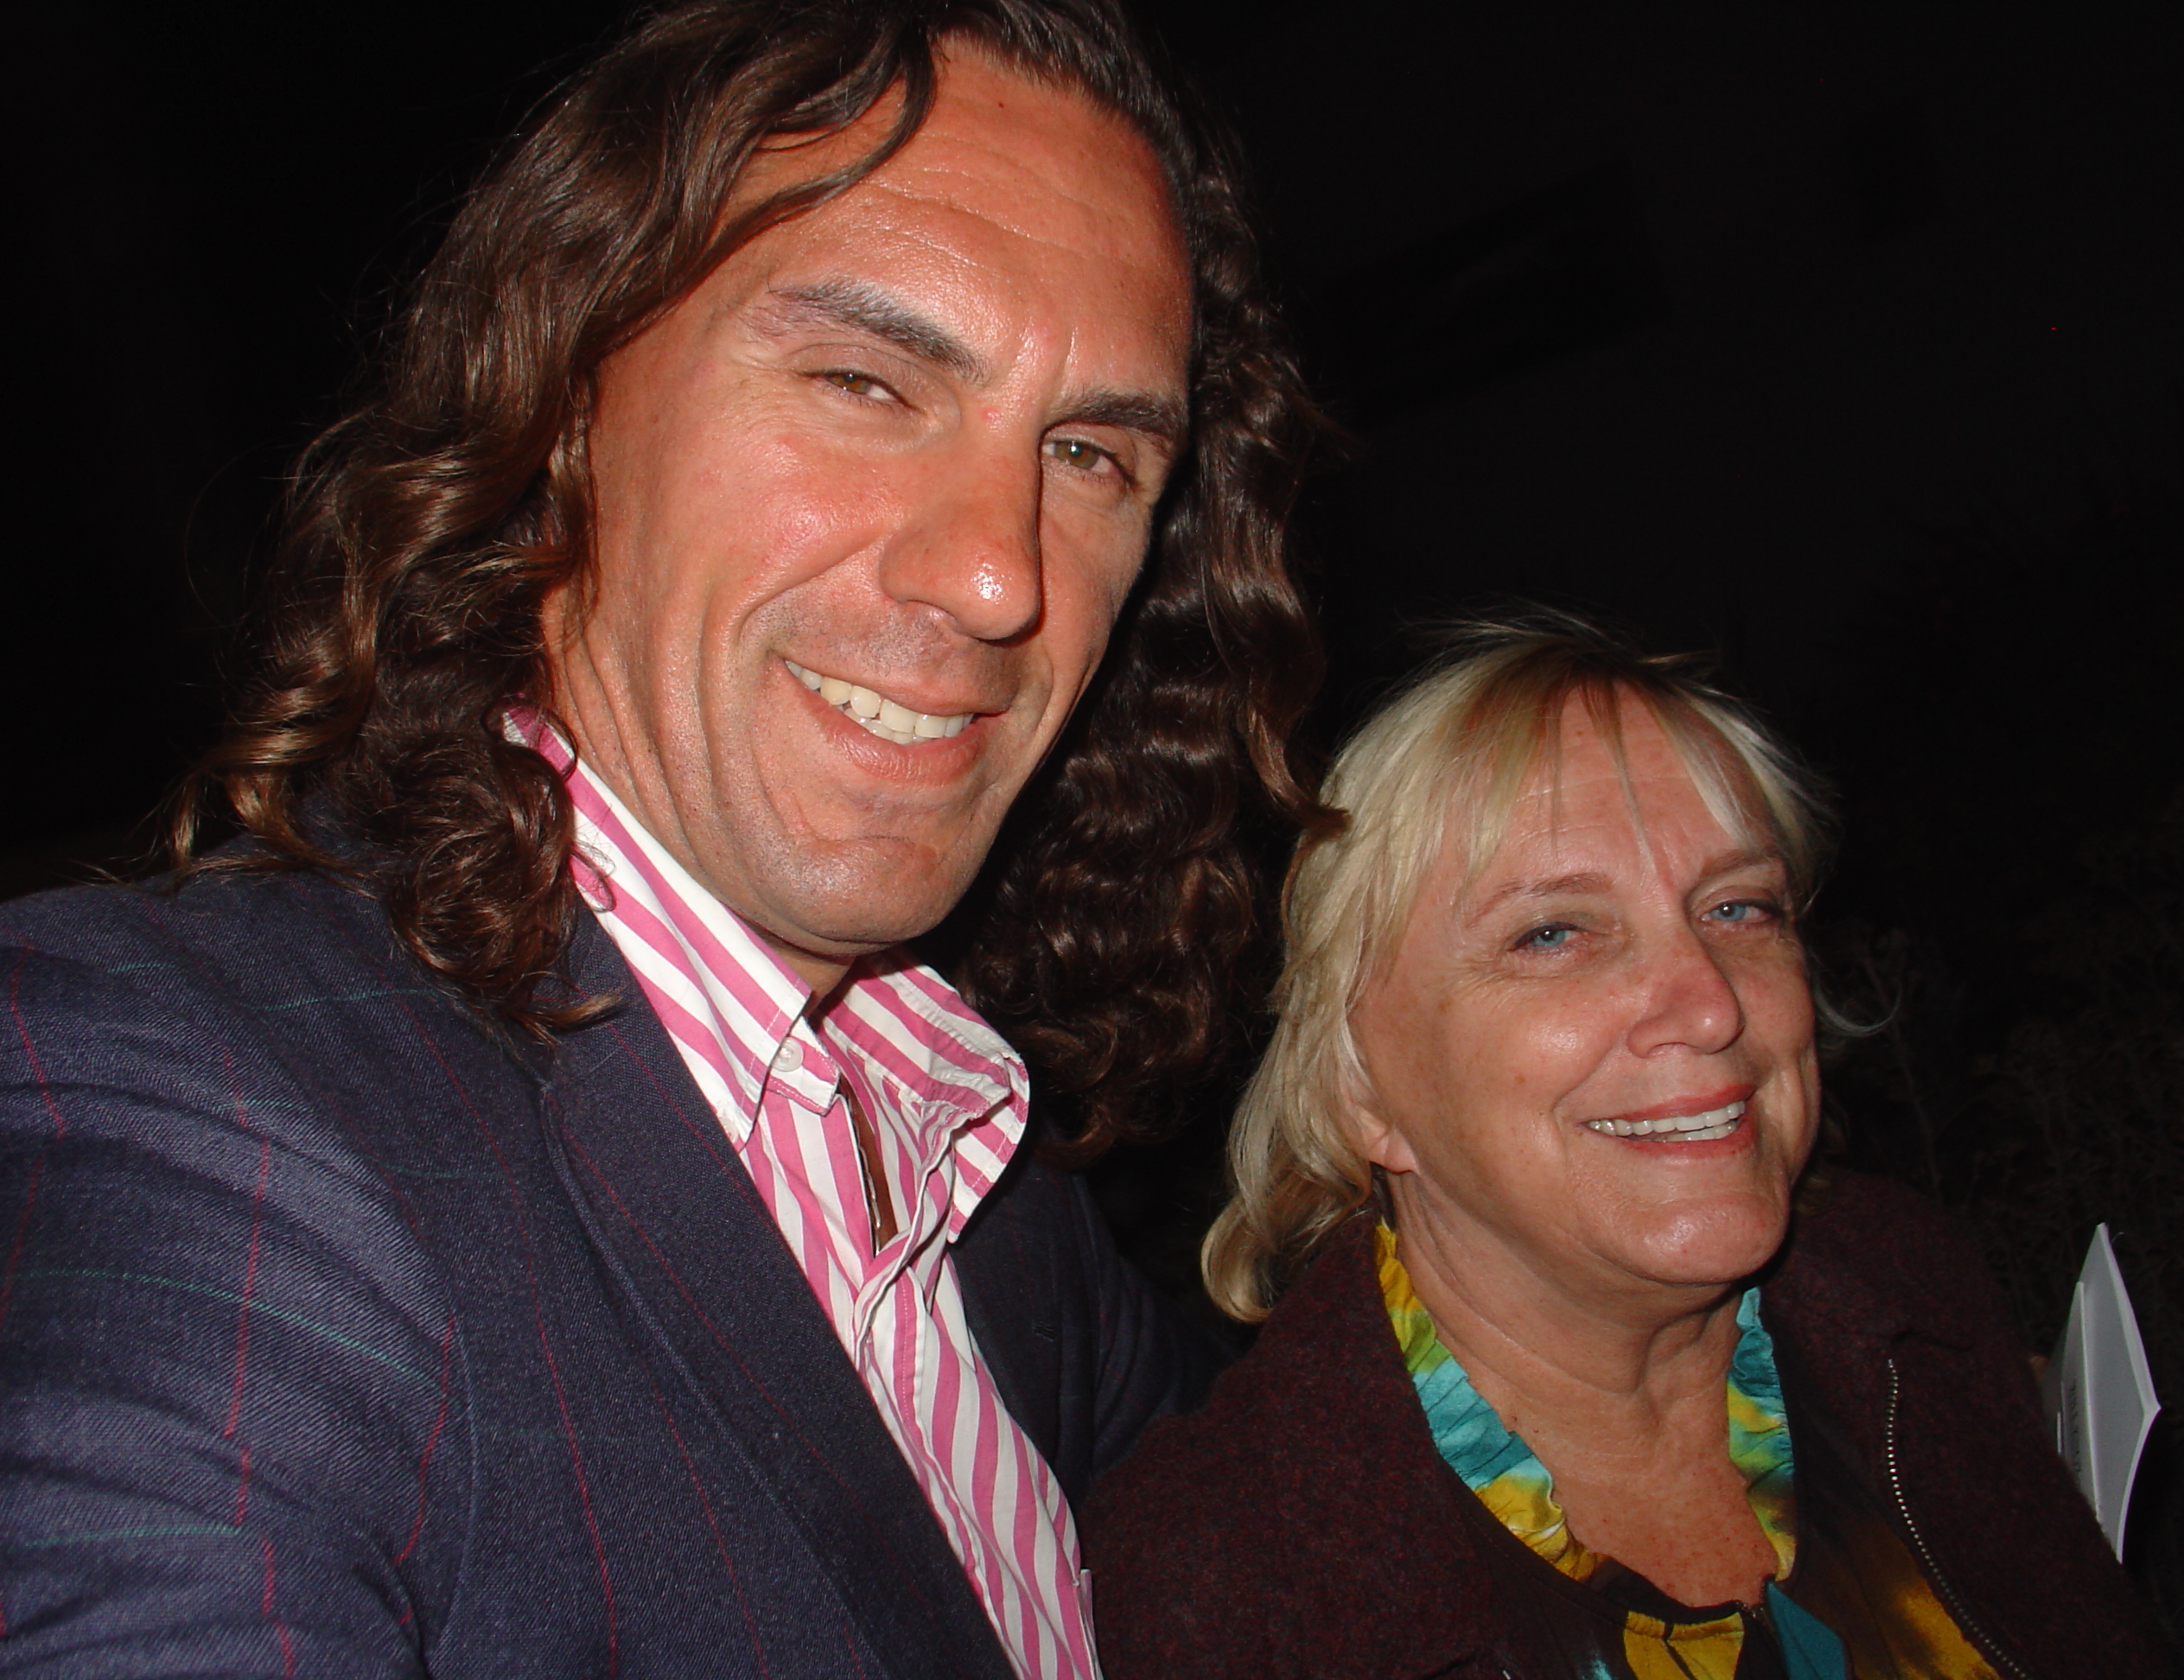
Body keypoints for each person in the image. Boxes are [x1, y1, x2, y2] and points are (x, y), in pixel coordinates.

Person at [0, 3, 1325, 1674]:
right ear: (562, 401)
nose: (1002, 573)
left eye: (1087, 453)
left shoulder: (960, 1142)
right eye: (865, 380)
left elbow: (1273, 1552)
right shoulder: (200, 1100)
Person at [1084, 623, 2168, 1679]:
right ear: (1358, 1084)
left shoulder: (1911, 1298)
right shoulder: (1224, 1589)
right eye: (1553, 932)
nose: (1709, 1006)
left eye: (1739, 907)